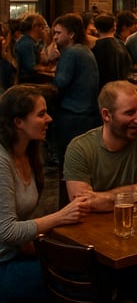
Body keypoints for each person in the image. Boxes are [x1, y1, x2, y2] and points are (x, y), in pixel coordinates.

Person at [0, 84, 91, 301]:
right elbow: (6, 231)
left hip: (17, 254)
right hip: (4, 264)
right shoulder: (2, 162)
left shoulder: (29, 154)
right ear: (18, 122)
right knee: (75, 279)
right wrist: (60, 217)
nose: (49, 119)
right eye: (41, 114)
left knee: (79, 268)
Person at [63, 80, 137, 212]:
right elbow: (82, 204)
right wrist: (133, 195)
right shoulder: (80, 148)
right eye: (130, 113)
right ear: (106, 115)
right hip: (91, 228)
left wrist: (102, 197)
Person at [49, 13, 100, 166]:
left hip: (73, 116)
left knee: (69, 164)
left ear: (71, 34)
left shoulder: (71, 53)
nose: (55, 37)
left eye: (58, 33)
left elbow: (60, 83)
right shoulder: (84, 50)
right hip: (86, 115)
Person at [91, 13, 133, 88]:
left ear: (97, 29)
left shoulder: (95, 47)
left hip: (103, 87)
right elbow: (129, 63)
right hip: (121, 85)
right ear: (114, 27)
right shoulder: (120, 44)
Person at [14, 14, 47, 83]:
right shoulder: (27, 44)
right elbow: (31, 67)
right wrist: (46, 68)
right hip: (27, 83)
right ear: (35, 27)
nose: (44, 30)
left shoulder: (28, 41)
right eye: (42, 26)